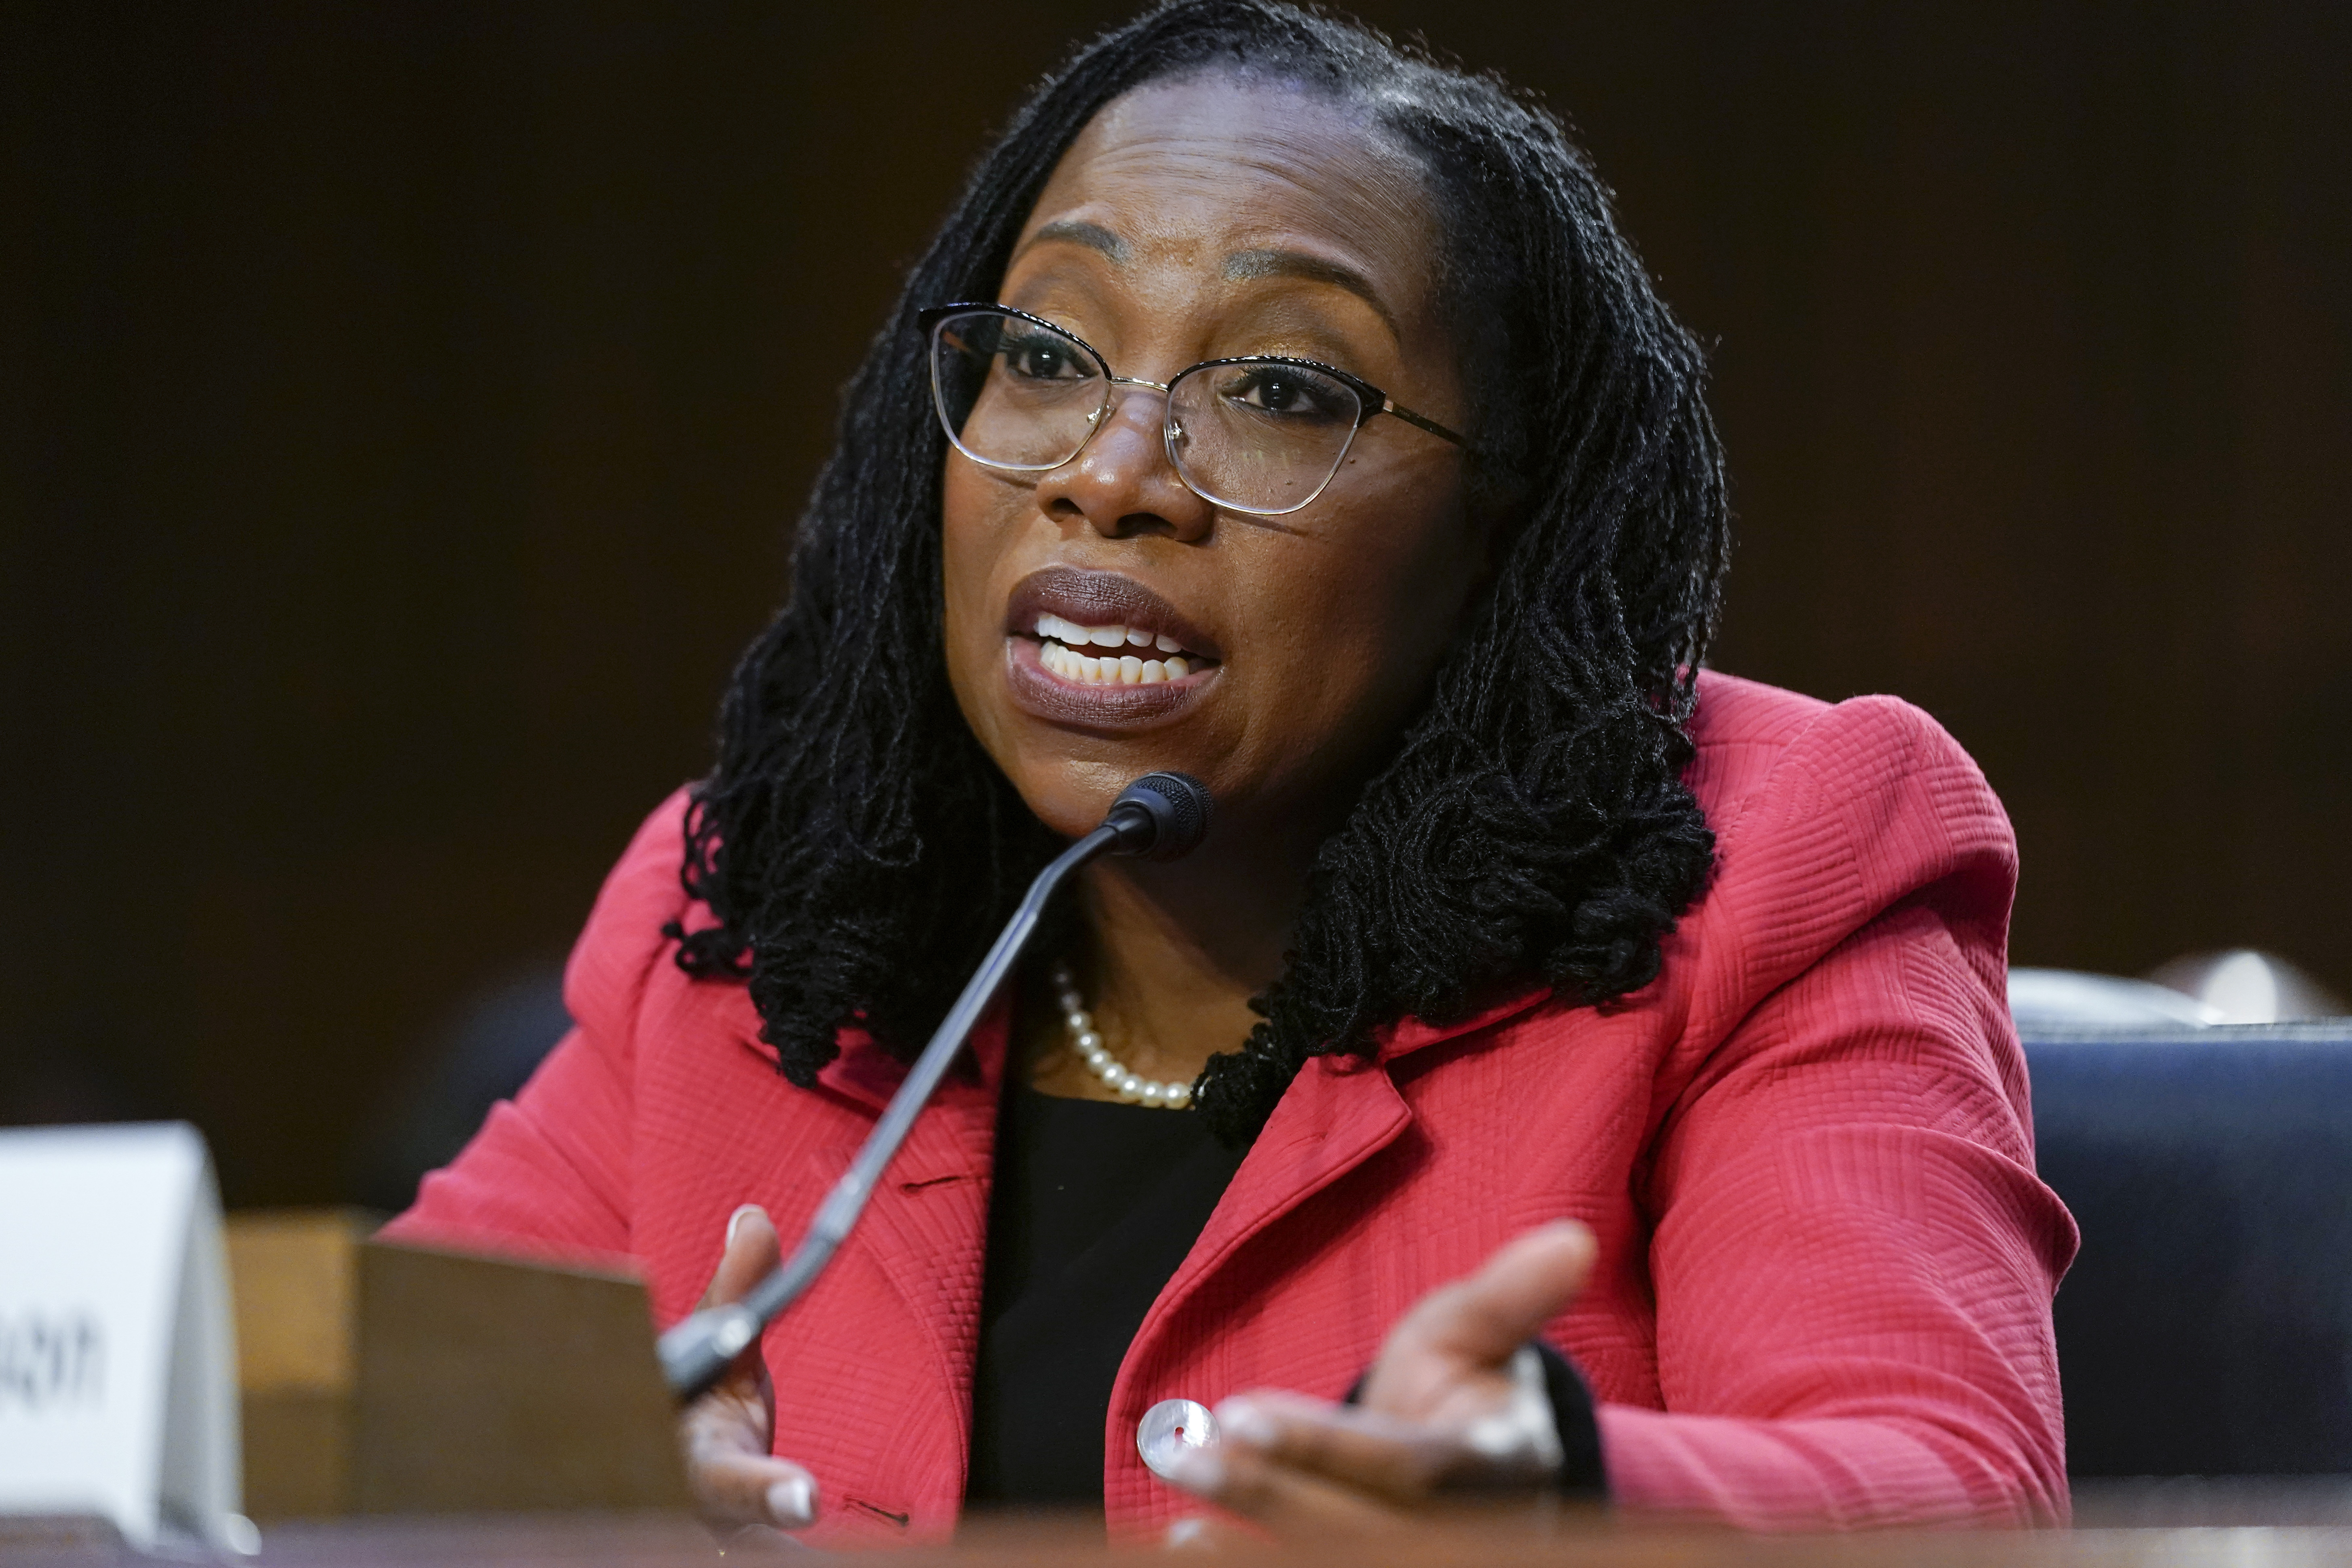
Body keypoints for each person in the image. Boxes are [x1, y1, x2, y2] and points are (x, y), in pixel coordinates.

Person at [382, 0, 2075, 1545]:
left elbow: (1953, 1493)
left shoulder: (1781, 859)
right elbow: (349, 1432)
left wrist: (1566, 1494)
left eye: (1276, 387)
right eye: (1046, 356)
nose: (1113, 474)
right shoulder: (764, 910)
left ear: (1504, 521)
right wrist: (569, 1489)